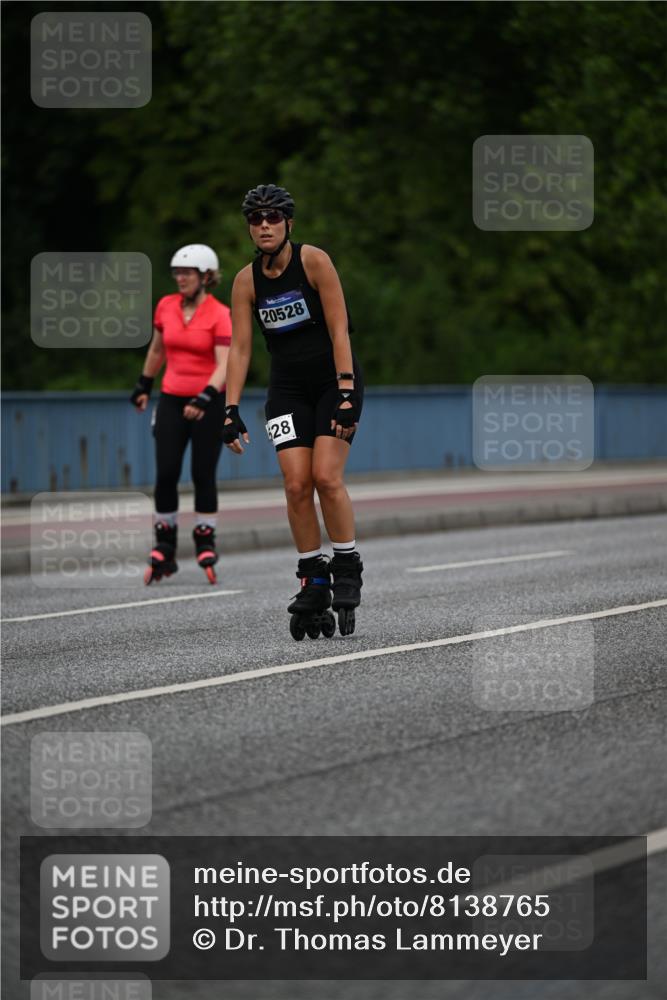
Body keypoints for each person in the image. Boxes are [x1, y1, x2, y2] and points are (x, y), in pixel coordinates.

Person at [222, 185, 364, 637]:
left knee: (326, 476)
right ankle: (312, 574)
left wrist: (346, 391)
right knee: (296, 483)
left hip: (332, 383)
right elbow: (241, 349)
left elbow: (340, 329)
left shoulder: (314, 261)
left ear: (288, 224)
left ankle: (346, 565)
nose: (264, 226)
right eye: (256, 219)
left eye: (273, 218)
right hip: (286, 390)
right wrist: (230, 409)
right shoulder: (246, 281)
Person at [130, 244, 231, 585]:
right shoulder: (166, 306)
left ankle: (205, 541)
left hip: (209, 401)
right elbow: (158, 348)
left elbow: (226, 364)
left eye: (187, 273)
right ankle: (165, 546)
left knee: (203, 473)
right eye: (177, 273)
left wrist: (204, 397)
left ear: (206, 276)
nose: (180, 278)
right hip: (172, 399)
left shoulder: (220, 314)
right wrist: (144, 383)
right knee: (166, 472)